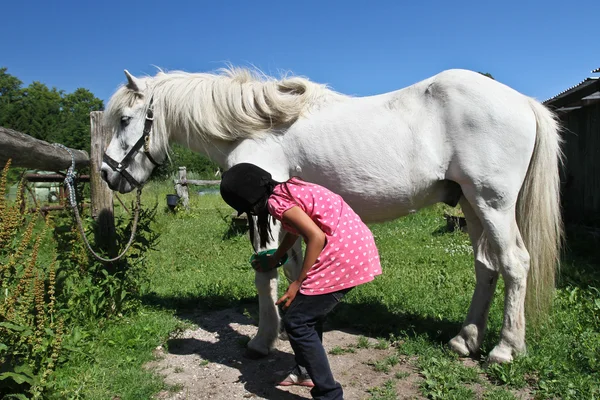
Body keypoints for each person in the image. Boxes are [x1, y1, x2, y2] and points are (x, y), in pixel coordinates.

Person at [220, 163, 382, 400]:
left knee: (297, 321)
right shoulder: (287, 189)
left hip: (342, 254)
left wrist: (298, 283)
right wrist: (276, 258)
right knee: (305, 314)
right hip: (355, 245)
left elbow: (315, 236)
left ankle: (329, 394)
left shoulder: (276, 203)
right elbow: (295, 229)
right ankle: (306, 372)